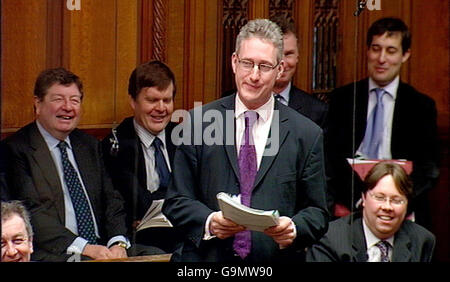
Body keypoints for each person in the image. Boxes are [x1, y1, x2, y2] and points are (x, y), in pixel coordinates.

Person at [162, 19, 329, 262]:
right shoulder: (198, 123)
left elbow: (317, 212)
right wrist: (209, 222)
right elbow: (176, 201)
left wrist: (293, 228)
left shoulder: (307, 134)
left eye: (264, 66)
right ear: (233, 62)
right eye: (247, 63)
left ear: (280, 69)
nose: (254, 75)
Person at [2, 67, 161, 261]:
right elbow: (32, 213)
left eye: (75, 100)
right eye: (58, 99)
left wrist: (117, 242)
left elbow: (112, 199)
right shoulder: (16, 149)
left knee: (160, 256)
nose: (68, 107)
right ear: (38, 103)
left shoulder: (89, 145)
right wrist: (84, 248)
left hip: (103, 247)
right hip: (56, 251)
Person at [325, 17, 439, 228]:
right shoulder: (343, 99)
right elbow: (330, 158)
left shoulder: (421, 106)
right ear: (367, 51)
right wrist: (361, 200)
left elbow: (429, 168)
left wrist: (397, 200)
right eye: (376, 49)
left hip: (402, 204)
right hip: (350, 201)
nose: (381, 59)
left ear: (405, 55)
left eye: (391, 50)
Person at [101, 60, 182, 255]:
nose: (161, 108)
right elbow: (134, 205)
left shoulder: (184, 138)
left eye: (167, 100)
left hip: (183, 234)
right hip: (139, 241)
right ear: (133, 101)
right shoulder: (116, 144)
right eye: (152, 100)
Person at [306, 161, 435, 262]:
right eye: (379, 198)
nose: (387, 207)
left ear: (407, 204)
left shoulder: (422, 240)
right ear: (363, 199)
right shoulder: (330, 240)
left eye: (396, 200)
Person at [270, 15, 328, 129]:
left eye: (288, 54)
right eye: (276, 55)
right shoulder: (239, 104)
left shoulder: (317, 111)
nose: (283, 63)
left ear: (297, 56)